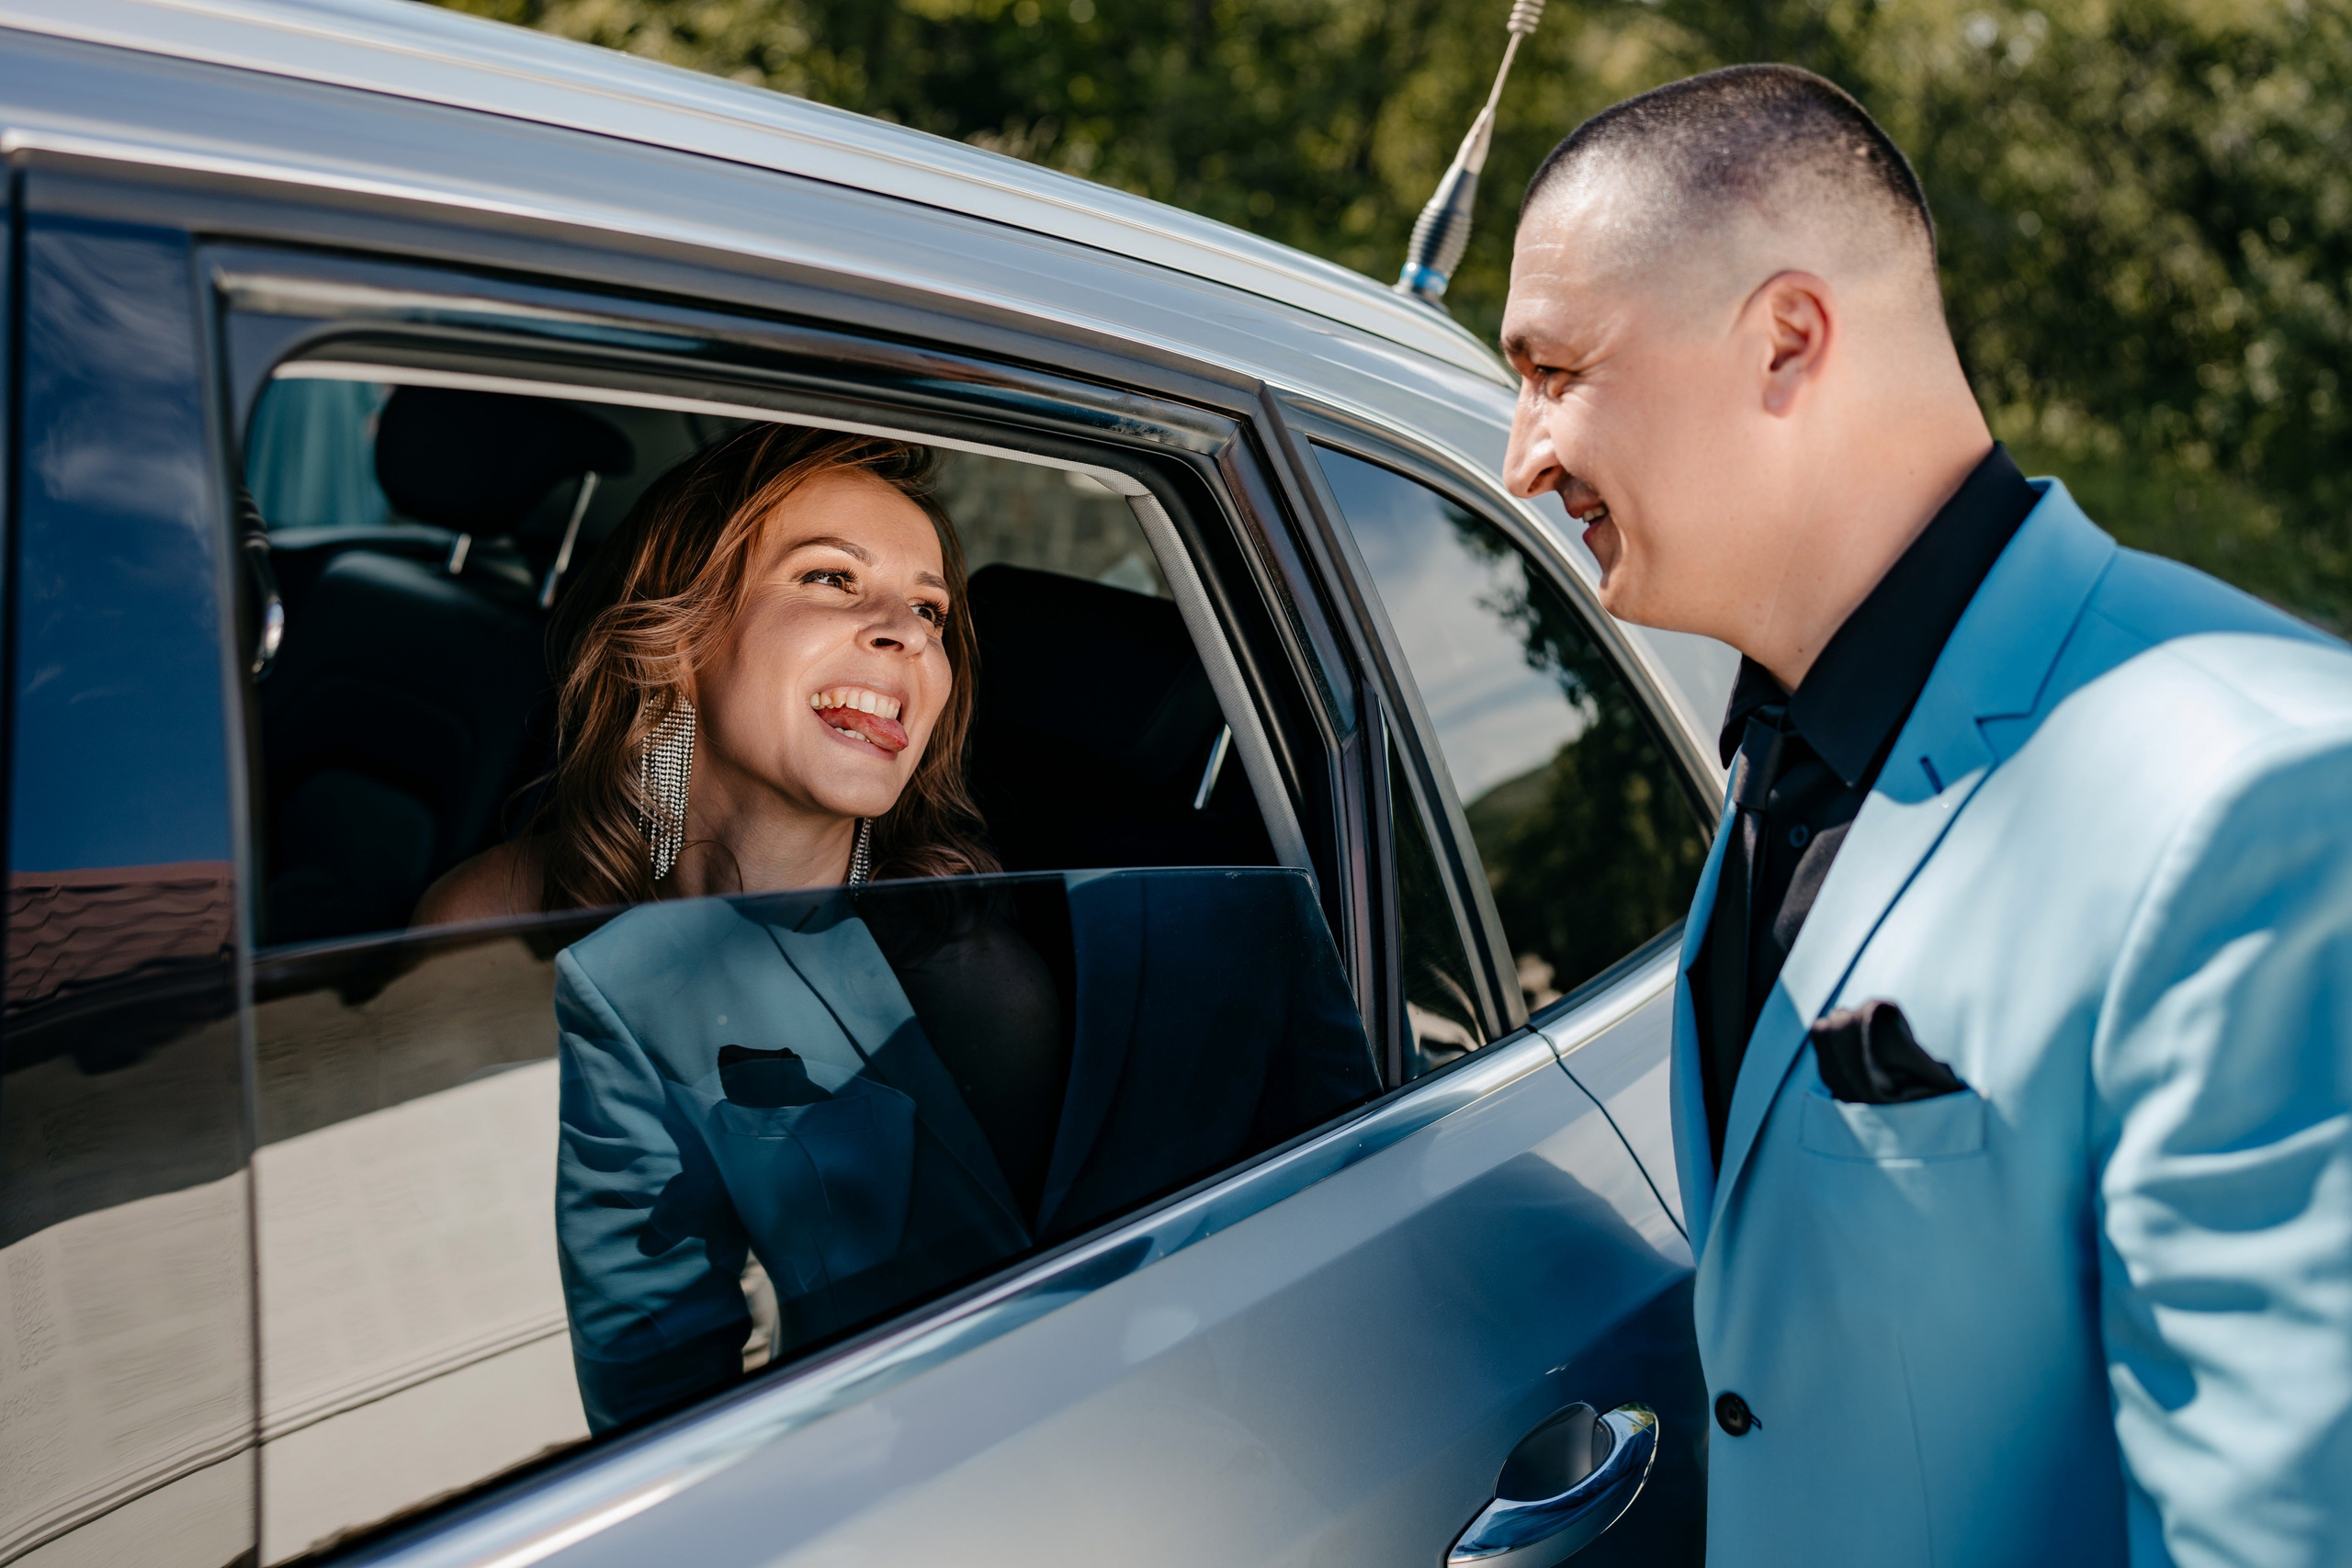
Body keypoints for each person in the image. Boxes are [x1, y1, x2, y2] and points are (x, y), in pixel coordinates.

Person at [1501, 64, 2352, 1568]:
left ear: (1785, 340)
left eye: (1554, 372)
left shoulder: (2268, 795)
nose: (1524, 456)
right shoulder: (1780, 732)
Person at [423, 424, 1378, 1431]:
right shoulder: (489, 914)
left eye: (930, 609)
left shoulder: (967, 982)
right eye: (833, 579)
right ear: (681, 633)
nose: (908, 632)